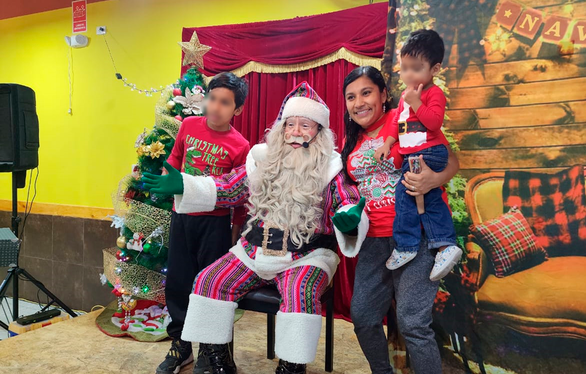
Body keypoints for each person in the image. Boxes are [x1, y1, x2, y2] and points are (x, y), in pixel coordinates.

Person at [144, 81, 369, 374]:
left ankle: (291, 365)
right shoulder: (263, 160)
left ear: (319, 133)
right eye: (290, 124)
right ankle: (218, 359)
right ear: (281, 128)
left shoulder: (331, 169)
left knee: (300, 291)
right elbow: (229, 186)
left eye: (305, 125)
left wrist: (350, 218)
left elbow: (347, 202)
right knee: (209, 280)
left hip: (306, 256)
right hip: (253, 249)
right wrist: (186, 184)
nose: (296, 132)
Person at [342, 66, 459, 374]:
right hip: (373, 242)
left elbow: (450, 159)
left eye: (366, 93)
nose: (358, 103)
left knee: (412, 322)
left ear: (383, 95)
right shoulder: (350, 140)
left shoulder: (406, 118)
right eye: (351, 97)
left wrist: (434, 179)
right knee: (364, 317)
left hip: (414, 236)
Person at [142, 72, 251, 374]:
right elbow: (174, 162)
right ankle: (181, 346)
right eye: (212, 98)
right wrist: (167, 186)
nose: (215, 106)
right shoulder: (189, 126)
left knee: (209, 289)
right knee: (178, 283)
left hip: (215, 227)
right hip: (183, 220)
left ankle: (209, 349)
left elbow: (240, 195)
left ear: (237, 109)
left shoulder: (241, 146)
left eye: (225, 102)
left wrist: (235, 231)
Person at [373, 29, 462, 279]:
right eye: (405, 68)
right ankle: (433, 244)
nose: (409, 74)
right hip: (412, 155)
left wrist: (416, 103)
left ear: (434, 69)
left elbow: (434, 123)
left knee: (414, 196)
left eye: (416, 68)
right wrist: (387, 144)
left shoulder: (433, 94)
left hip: (429, 153)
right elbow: (396, 124)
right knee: (412, 198)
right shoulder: (405, 96)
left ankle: (421, 245)